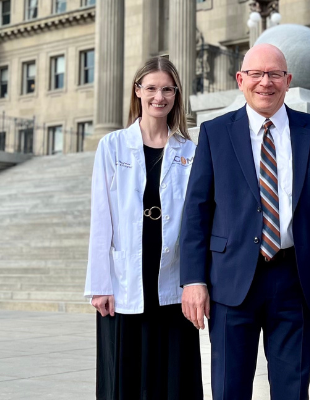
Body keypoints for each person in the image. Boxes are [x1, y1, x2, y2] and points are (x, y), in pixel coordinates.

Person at [179, 43, 310, 400]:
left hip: (294, 279)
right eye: (256, 74)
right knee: (229, 389)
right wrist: (193, 279)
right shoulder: (215, 133)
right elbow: (197, 210)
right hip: (230, 282)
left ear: (288, 81)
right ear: (241, 80)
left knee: (292, 390)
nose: (265, 83)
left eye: (274, 74)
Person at [84, 56, 203, 400]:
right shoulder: (113, 146)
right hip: (123, 282)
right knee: (126, 377)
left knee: (172, 378)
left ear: (176, 95)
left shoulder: (190, 152)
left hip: (172, 279)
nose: (159, 97)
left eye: (167, 89)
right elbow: (101, 219)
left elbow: (196, 222)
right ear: (137, 91)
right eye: (151, 88)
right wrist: (99, 285)